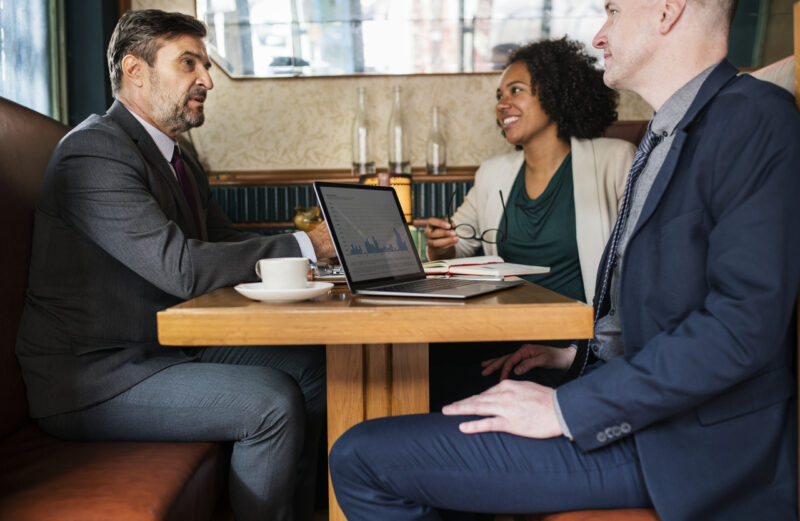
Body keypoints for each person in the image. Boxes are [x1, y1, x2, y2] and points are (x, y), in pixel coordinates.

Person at [329, 1, 800, 520]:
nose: (599, 37)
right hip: (641, 412)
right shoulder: (668, 134)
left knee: (359, 458)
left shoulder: (753, 117)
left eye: (614, 12)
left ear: (667, 11)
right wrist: (571, 357)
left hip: (687, 449)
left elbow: (742, 327)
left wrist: (563, 407)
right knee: (432, 405)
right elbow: (662, 310)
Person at [15, 10, 334, 521]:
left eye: (204, 65)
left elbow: (224, 244)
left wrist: (315, 260)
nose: (206, 79)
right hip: (96, 374)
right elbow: (181, 268)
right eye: (189, 63)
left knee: (316, 371)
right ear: (134, 70)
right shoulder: (94, 150)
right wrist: (305, 245)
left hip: (164, 347)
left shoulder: (178, 160)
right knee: (271, 402)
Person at [426, 38, 634, 411]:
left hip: (574, 347)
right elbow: (459, 242)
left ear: (554, 95)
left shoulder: (613, 160)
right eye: (499, 94)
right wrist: (440, 244)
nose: (501, 104)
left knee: (431, 387)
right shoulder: (493, 173)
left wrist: (575, 349)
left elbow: (635, 271)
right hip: (500, 333)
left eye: (516, 91)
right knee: (413, 365)